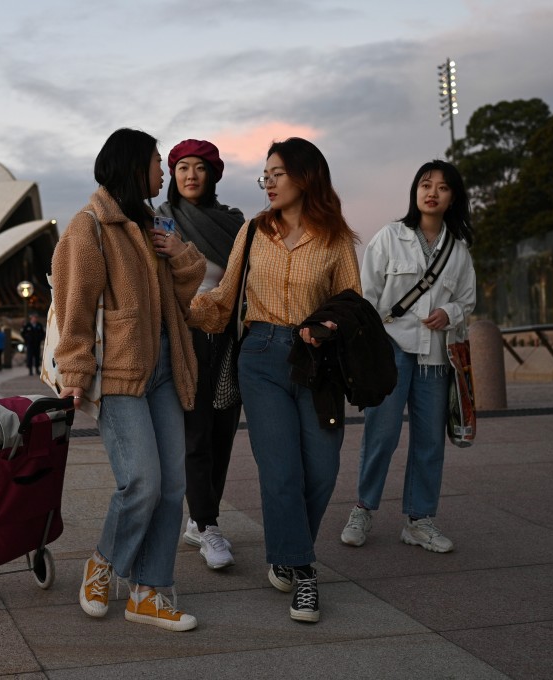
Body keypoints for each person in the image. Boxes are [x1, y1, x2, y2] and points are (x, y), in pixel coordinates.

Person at [190, 137, 361, 623]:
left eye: (278, 173)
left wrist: (326, 329)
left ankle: (288, 548)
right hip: (261, 356)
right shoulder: (252, 232)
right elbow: (224, 297)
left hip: (317, 363)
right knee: (281, 470)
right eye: (265, 174)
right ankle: (303, 573)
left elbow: (352, 307)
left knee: (323, 470)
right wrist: (180, 310)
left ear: (305, 177)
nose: (268, 181)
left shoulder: (336, 240)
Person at [52, 127, 206, 632]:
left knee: (172, 486)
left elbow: (185, 292)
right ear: (133, 164)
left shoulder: (151, 222)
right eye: (158, 162)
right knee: (142, 480)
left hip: (165, 364)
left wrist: (177, 252)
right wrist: (75, 371)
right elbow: (73, 308)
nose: (164, 172)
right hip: (119, 371)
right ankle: (104, 564)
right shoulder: (90, 225)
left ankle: (149, 590)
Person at [340, 160, 476, 554]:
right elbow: (366, 296)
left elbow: (466, 300)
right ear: (415, 191)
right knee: (380, 435)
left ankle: (419, 520)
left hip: (435, 357)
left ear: (452, 198)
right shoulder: (389, 237)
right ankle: (363, 509)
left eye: (443, 187)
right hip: (392, 352)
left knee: (430, 441)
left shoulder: (459, 250)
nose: (432, 192)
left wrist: (449, 313)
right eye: (425, 184)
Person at [157, 139, 243, 570]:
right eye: (182, 167)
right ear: (172, 174)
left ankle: (200, 520)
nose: (191, 175)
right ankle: (207, 525)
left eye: (200, 168)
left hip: (226, 335)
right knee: (196, 433)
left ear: (213, 175)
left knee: (223, 431)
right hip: (185, 335)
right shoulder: (161, 221)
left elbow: (242, 278)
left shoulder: (234, 223)